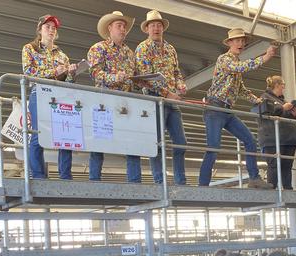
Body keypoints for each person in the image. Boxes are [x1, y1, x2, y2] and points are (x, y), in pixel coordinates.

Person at [198, 28, 276, 189]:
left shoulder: (235, 65)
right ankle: (203, 184)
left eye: (242, 41)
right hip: (215, 107)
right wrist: (265, 57)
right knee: (213, 146)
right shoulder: (225, 59)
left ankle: (254, 178)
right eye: (237, 41)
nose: (241, 43)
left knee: (250, 140)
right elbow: (240, 67)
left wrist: (257, 100)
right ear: (230, 43)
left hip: (226, 110)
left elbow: (240, 89)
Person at [87, 11, 141, 183]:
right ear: (109, 28)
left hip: (126, 103)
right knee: (99, 142)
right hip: (104, 100)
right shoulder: (98, 48)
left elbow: (135, 76)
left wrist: (142, 81)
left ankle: (135, 181)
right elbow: (95, 73)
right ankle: (95, 180)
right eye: (119, 25)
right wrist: (115, 77)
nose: (123, 29)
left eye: (124, 26)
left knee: (132, 141)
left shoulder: (130, 53)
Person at [135, 10, 187, 186]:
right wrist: (167, 93)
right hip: (154, 100)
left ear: (162, 28)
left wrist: (180, 85)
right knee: (156, 141)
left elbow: (176, 72)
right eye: (152, 25)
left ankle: (181, 180)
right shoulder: (143, 48)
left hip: (172, 100)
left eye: (159, 25)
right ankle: (159, 180)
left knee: (181, 142)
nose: (156, 28)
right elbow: (145, 77)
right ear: (147, 29)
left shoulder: (171, 49)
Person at [22, 14, 77, 179]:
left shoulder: (62, 55)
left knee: (65, 134)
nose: (51, 30)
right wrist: (54, 72)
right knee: (38, 133)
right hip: (39, 93)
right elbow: (28, 72)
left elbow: (68, 82)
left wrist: (72, 74)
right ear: (40, 29)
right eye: (48, 27)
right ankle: (38, 175)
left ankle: (65, 175)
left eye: (54, 28)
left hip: (60, 95)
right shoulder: (29, 48)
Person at [257, 75, 296, 190]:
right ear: (277, 85)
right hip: (272, 139)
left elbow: (285, 115)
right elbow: (266, 114)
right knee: (274, 166)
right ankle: (272, 190)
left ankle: (287, 189)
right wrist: (283, 108)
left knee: (287, 166)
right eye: (283, 85)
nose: (283, 88)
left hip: (288, 139)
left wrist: (294, 114)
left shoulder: (283, 101)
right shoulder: (264, 98)